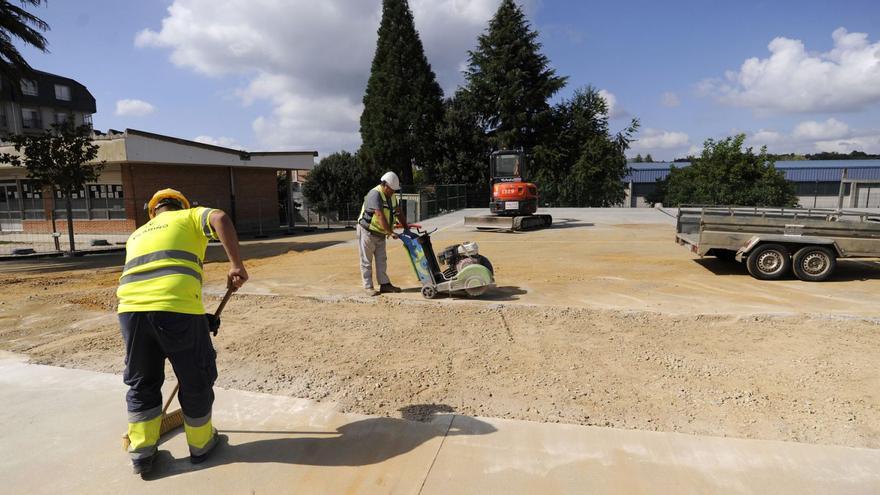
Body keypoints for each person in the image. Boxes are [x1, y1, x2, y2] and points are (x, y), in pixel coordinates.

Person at [117, 188, 248, 475]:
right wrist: (236, 264)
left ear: (153, 211)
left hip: (130, 311)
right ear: (181, 205)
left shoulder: (137, 234)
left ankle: (141, 452)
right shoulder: (189, 217)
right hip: (176, 308)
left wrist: (199, 321)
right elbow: (220, 218)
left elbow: (154, 288)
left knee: (143, 381)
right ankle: (201, 445)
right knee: (195, 377)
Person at [357, 171, 407, 296]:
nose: (393, 192)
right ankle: (368, 287)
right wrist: (390, 232)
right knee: (366, 260)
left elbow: (398, 211)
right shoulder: (375, 194)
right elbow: (379, 215)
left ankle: (384, 285)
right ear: (384, 185)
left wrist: (407, 227)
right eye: (391, 189)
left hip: (380, 232)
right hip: (367, 231)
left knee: (381, 260)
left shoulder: (391, 196)